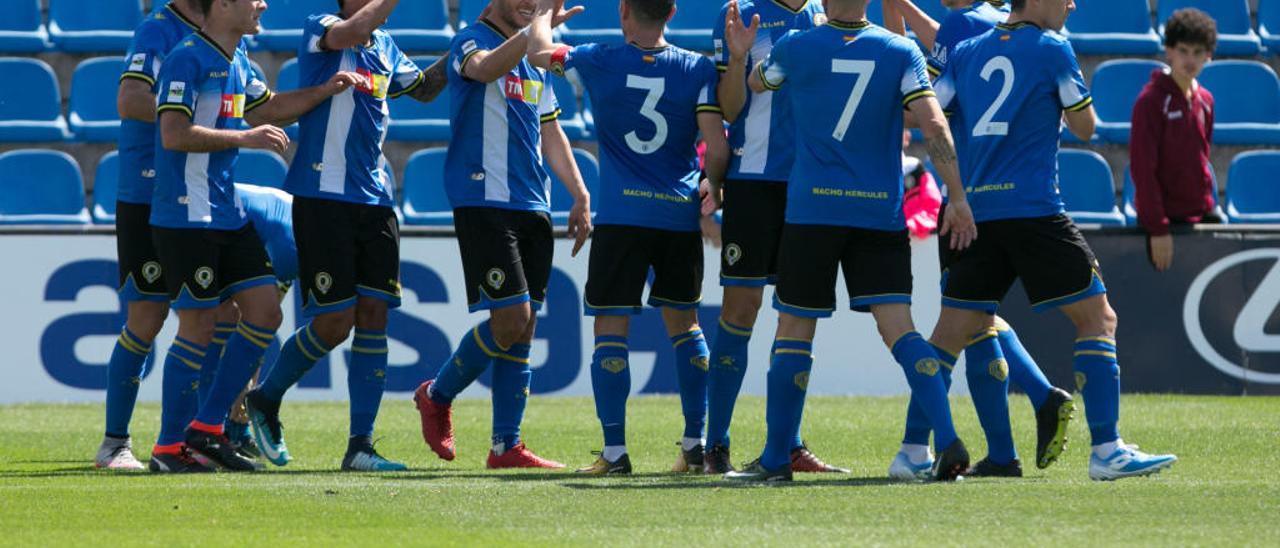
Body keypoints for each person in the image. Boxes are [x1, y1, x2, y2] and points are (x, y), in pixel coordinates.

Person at [724, 0, 978, 482]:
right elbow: (935, 124)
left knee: (794, 330)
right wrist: (958, 196)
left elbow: (756, 87)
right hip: (877, 214)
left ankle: (777, 460)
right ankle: (947, 440)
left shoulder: (796, 46)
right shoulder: (901, 50)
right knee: (901, 331)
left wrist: (741, 56)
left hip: (812, 211)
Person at [931, 0, 1177, 481]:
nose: (1071, 4)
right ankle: (1107, 449)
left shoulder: (966, 51)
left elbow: (932, 114)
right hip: (1034, 211)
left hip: (977, 212)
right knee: (1097, 318)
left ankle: (919, 448)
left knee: (946, 339)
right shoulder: (1053, 48)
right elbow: (1087, 127)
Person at [151, 0, 362, 472]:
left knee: (265, 313)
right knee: (198, 327)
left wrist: (324, 90)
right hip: (186, 215)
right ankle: (168, 447)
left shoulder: (239, 58)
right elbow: (172, 133)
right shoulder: (187, 58)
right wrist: (246, 139)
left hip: (227, 213)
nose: (262, 3)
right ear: (222, 4)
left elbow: (269, 108)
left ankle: (207, 431)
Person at [242, 0, 449, 473]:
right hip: (321, 195)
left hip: (375, 199)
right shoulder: (325, 27)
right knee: (335, 323)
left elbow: (425, 90)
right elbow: (352, 29)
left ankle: (360, 445)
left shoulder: (387, 47)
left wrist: (472, 50)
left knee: (375, 314)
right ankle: (265, 397)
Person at [525, 0, 731, 475]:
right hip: (677, 217)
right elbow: (716, 146)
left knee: (610, 328)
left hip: (622, 217)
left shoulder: (598, 58)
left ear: (623, 12)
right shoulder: (698, 67)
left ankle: (615, 453)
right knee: (687, 327)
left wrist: (540, 12)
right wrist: (714, 187)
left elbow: (539, 55)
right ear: (673, 12)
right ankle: (694, 445)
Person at [884, 0, 1076, 481]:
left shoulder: (963, 31)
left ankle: (916, 446)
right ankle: (1015, 433)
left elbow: (913, 99)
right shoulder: (1000, 26)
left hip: (967, 198)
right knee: (978, 319)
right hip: (1014, 193)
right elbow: (928, 40)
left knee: (960, 322)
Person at [412, 0, 592, 470]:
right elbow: (484, 68)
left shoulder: (535, 59)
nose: (529, 3)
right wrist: (537, 30)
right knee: (512, 318)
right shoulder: (469, 39)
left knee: (525, 326)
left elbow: (550, 130)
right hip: (484, 201)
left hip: (533, 203)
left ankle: (505, 446)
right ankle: (436, 394)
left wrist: (579, 193)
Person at [705, 0, 847, 476]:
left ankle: (788, 444)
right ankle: (715, 444)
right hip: (753, 181)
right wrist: (740, 57)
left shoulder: (829, 16)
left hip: (812, 186)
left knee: (797, 314)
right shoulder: (741, 14)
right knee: (739, 308)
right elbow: (728, 108)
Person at [96, 0, 206, 473]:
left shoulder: (222, 34)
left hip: (198, 194)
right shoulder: (157, 31)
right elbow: (129, 99)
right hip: (148, 190)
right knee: (148, 314)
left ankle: (203, 435)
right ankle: (114, 443)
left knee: (220, 310)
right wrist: (187, 108)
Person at [1131, 8, 1218, 272]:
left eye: (1198, 52)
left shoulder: (1206, 100)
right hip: (1163, 226)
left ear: (1208, 55)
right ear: (1168, 50)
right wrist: (1158, 228)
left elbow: (1203, 158)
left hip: (1199, 219)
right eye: (1183, 50)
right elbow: (1143, 169)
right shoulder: (1151, 101)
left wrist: (1208, 207)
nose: (1190, 59)